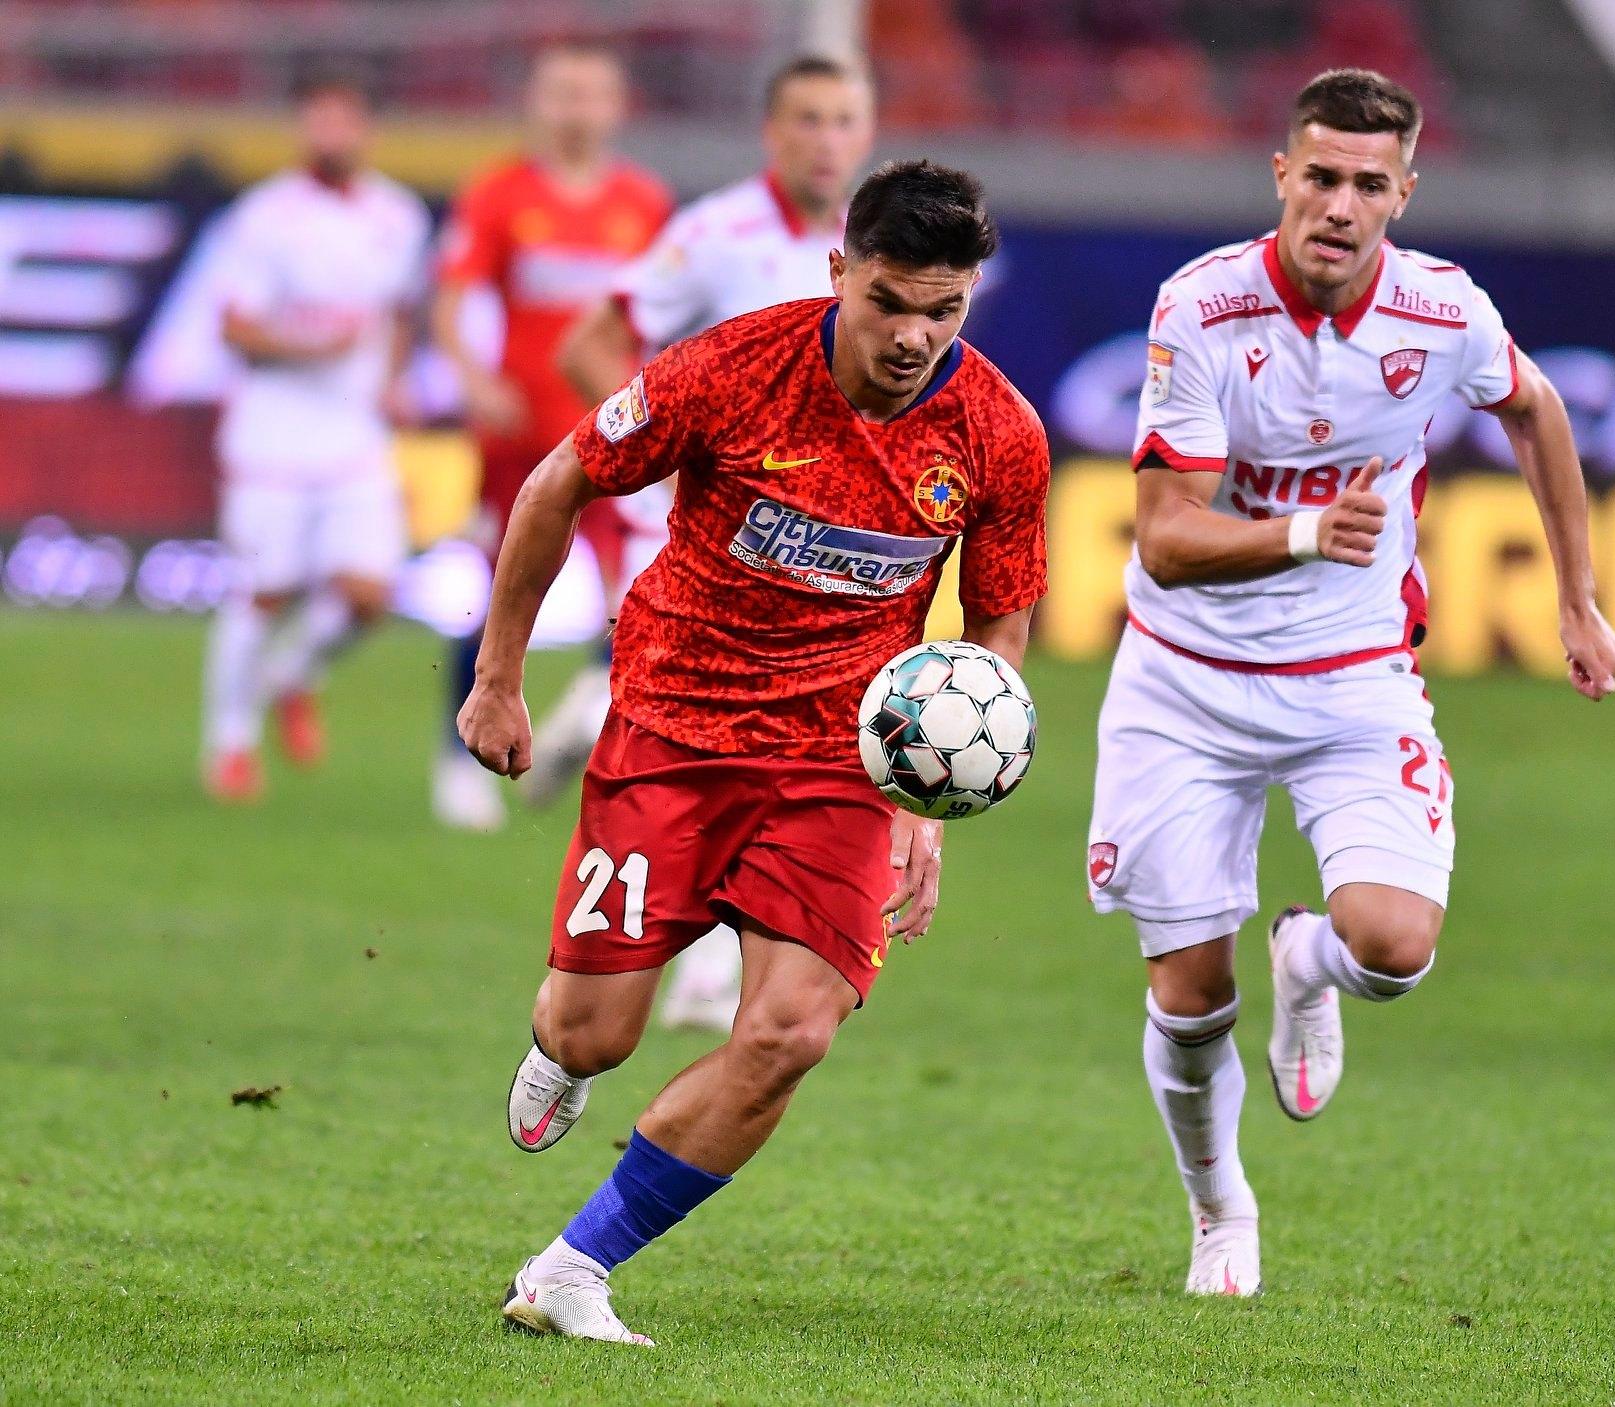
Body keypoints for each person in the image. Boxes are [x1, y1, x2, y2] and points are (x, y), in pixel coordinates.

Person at [458, 160, 1049, 1343]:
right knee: (593, 1031)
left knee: (789, 1034)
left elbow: (997, 627)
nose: (914, 336)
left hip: (840, 762)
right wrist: (498, 679)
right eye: (890, 301)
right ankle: (565, 1051)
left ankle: (574, 1267)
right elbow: (557, 484)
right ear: (840, 272)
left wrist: (926, 800)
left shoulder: (999, 434)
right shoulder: (731, 369)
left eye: (944, 310)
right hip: (673, 730)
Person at [1087, 69, 1615, 1297]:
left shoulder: (1444, 310)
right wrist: (1300, 533)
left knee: (1393, 948)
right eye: (1321, 176)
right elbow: (1165, 538)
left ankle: (1310, 962)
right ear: (1281, 174)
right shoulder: (1203, 307)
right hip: (1186, 686)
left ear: (1405, 194)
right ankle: (1221, 1210)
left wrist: (1578, 599)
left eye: (1368, 185)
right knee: (1192, 1000)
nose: (1340, 205)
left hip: (1354, 676)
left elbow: (1536, 410)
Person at [544, 53, 876, 1033]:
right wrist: (656, 450)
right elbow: (586, 344)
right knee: (718, 729)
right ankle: (600, 721)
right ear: (771, 133)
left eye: (843, 120)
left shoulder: (881, 251)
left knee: (781, 735)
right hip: (705, 530)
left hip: (816, 541)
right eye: (807, 119)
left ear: (866, 133)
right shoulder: (714, 234)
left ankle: (591, 709)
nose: (826, 140)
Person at [430, 43, 672, 831]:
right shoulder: (499, 192)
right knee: (497, 594)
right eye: (562, 92)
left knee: (637, 598)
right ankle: (456, 756)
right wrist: (474, 379)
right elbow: (451, 300)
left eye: (591, 93)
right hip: (521, 440)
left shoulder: (643, 202)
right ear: (537, 103)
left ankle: (583, 713)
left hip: (618, 437)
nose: (576, 108)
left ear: (617, 105)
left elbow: (663, 317)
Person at [201, 69, 430, 801]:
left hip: (354, 430)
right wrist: (310, 349)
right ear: (302, 128)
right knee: (264, 593)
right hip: (273, 432)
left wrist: (392, 380)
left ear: (366, 129)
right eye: (319, 119)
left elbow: (399, 312)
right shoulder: (264, 216)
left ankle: (293, 674)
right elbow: (234, 327)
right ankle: (231, 744)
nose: (333, 134)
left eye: (345, 120)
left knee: (370, 595)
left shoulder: (397, 216)